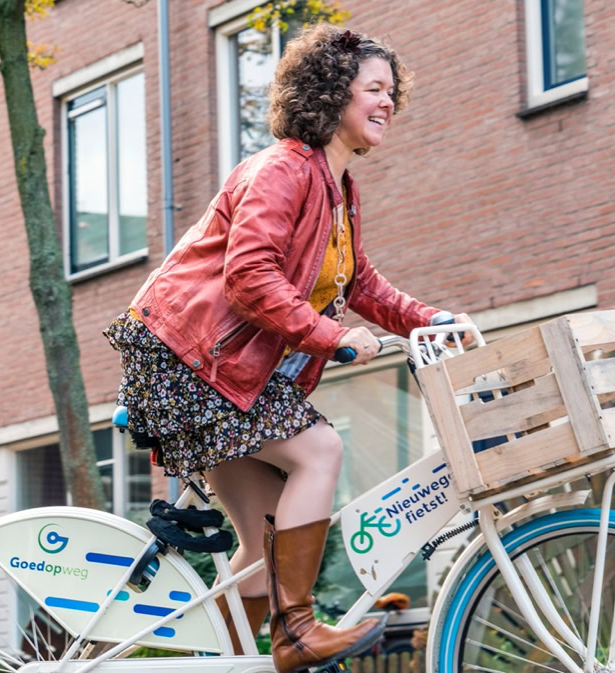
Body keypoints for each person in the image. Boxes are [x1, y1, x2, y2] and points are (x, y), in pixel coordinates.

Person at [105, 23, 472, 673]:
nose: (388, 101)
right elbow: (249, 276)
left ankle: (224, 659)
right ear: (331, 93)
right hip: (186, 357)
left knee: (263, 545)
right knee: (320, 449)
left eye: (392, 91)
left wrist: (432, 319)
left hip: (221, 369)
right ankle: (295, 630)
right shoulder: (282, 170)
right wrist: (333, 336)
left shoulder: (337, 188)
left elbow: (359, 283)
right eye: (373, 89)